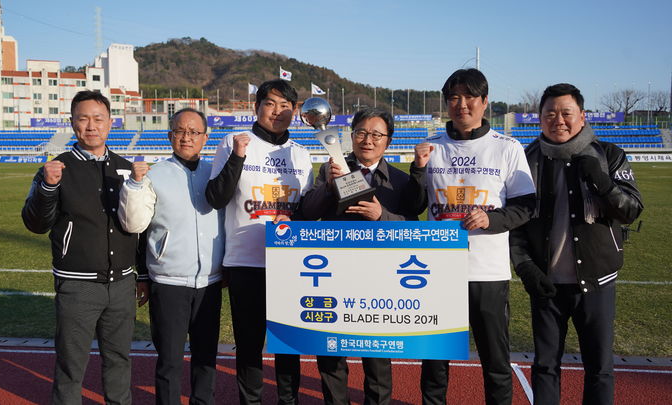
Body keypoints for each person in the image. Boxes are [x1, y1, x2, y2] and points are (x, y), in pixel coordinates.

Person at [406, 69, 537, 405]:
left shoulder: (507, 148)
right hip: (435, 270)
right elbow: (412, 207)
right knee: (435, 362)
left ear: (484, 102)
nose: (461, 104)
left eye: (469, 97)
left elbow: (525, 206)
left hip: (487, 272)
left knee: (495, 361)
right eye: (453, 98)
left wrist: (490, 220)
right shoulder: (430, 147)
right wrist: (418, 170)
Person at [510, 83, 643, 405]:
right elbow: (514, 222)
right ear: (539, 118)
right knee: (545, 367)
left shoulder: (609, 154)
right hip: (546, 284)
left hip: (597, 282)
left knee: (599, 368)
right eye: (550, 113)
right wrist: (525, 266)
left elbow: (631, 210)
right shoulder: (524, 160)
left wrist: (603, 183)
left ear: (581, 116)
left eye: (566, 113)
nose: (559, 120)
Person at [22, 90, 145, 405]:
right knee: (70, 367)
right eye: (83, 118)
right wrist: (48, 187)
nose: (91, 125)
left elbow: (140, 226)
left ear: (110, 123)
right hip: (77, 286)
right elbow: (36, 223)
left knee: (120, 362)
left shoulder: (125, 167)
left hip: (121, 285)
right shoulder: (56, 168)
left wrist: (141, 275)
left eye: (98, 118)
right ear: (73, 123)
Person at [205, 79, 314, 405]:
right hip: (245, 263)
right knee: (249, 346)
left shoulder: (302, 154)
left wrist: (294, 221)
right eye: (270, 103)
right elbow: (216, 196)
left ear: (295, 112)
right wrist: (238, 157)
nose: (277, 112)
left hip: (289, 264)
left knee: (288, 347)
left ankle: (288, 400)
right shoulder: (234, 142)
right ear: (257, 107)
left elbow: (307, 211)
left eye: (286, 106)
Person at [301, 108, 416, 405]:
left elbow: (414, 229)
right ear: (351, 137)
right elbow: (308, 212)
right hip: (334, 274)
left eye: (376, 134)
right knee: (331, 354)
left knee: (377, 359)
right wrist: (329, 186)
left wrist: (382, 216)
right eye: (361, 133)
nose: (368, 140)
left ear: (387, 141)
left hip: (381, 278)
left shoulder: (401, 182)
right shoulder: (331, 169)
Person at [117, 108, 225, 405]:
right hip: (168, 282)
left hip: (210, 283)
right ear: (169, 136)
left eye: (194, 132)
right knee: (169, 361)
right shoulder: (155, 174)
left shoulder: (217, 173)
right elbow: (136, 228)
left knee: (206, 359)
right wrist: (142, 274)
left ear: (206, 137)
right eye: (180, 131)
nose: (186, 137)